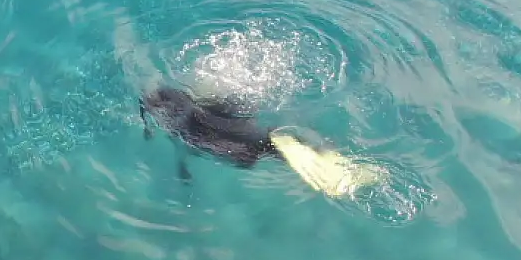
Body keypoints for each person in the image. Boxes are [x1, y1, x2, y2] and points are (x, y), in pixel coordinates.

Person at [138, 85, 384, 198]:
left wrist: (182, 170)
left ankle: (294, 145)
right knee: (266, 141)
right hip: (245, 128)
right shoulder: (193, 109)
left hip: (246, 140)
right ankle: (325, 154)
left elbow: (182, 145)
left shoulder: (179, 127)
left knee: (265, 145)